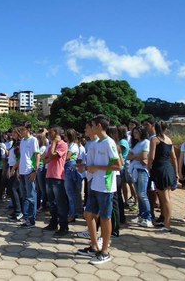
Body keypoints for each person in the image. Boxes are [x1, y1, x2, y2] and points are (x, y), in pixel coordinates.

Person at [77, 114, 121, 265]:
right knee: (88, 214)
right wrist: (87, 168)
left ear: (99, 127)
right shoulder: (96, 143)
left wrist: (97, 168)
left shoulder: (109, 143)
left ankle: (105, 251)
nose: (90, 127)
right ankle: (94, 245)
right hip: (95, 184)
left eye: (93, 125)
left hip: (106, 186)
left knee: (105, 217)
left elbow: (118, 166)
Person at [148, 121, 178, 232]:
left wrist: (148, 167)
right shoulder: (169, 140)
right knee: (167, 197)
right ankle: (165, 221)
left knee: (165, 198)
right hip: (168, 168)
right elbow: (174, 158)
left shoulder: (154, 139)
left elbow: (151, 156)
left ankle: (167, 224)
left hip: (159, 169)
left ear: (155, 128)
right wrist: (176, 172)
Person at [43, 125, 69, 237]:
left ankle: (63, 226)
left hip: (58, 176)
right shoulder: (51, 145)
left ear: (57, 133)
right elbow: (45, 159)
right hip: (49, 175)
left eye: (51, 132)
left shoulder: (63, 145)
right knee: (52, 202)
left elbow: (53, 156)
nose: (49, 133)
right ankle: (53, 223)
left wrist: (54, 144)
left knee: (60, 203)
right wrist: (52, 147)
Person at [14, 123, 40, 228]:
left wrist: (35, 170)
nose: (21, 132)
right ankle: (27, 218)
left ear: (28, 130)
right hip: (23, 171)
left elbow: (37, 155)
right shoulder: (22, 142)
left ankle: (31, 220)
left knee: (31, 196)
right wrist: (19, 170)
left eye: (23, 129)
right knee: (25, 196)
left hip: (30, 171)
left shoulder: (33, 140)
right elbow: (22, 157)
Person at [128, 125, 152, 227]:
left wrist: (135, 157)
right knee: (139, 194)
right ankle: (141, 215)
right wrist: (137, 157)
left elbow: (144, 156)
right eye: (134, 133)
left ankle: (148, 217)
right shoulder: (136, 143)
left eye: (137, 132)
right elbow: (129, 156)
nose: (134, 134)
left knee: (142, 194)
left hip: (142, 171)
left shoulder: (146, 142)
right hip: (134, 170)